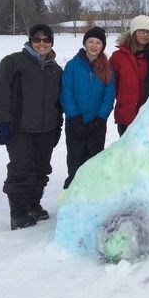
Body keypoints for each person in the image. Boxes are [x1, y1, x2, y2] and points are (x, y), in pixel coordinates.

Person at [0, 24, 63, 230]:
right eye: (37, 39)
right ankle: (19, 213)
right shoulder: (13, 62)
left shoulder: (56, 70)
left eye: (46, 40)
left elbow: (58, 104)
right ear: (30, 41)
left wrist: (57, 126)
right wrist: (2, 122)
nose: (41, 43)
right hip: (19, 128)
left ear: (51, 42)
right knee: (21, 169)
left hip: (46, 129)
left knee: (41, 169)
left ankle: (33, 204)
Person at [60, 27, 115, 189]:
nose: (94, 45)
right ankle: (73, 192)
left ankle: (91, 194)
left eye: (98, 43)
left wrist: (100, 119)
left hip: (96, 124)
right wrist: (74, 117)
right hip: (75, 124)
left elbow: (109, 96)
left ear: (102, 46)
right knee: (75, 160)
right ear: (85, 43)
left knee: (93, 161)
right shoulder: (72, 66)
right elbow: (66, 94)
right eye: (91, 41)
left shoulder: (106, 67)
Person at [110, 15, 149, 136]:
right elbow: (111, 83)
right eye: (141, 31)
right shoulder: (118, 57)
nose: (145, 35)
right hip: (126, 115)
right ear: (133, 32)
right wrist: (123, 99)